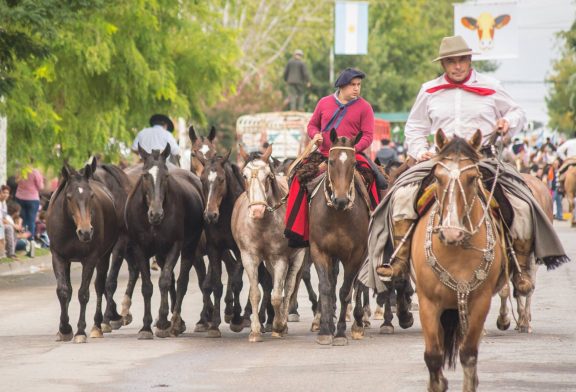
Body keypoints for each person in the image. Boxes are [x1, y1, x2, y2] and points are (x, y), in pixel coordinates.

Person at [363, 35, 568, 296]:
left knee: (523, 203)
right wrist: (420, 151)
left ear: (469, 60)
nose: (457, 66)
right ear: (444, 64)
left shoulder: (492, 86)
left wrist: (507, 123)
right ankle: (400, 261)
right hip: (440, 160)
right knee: (400, 196)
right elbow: (415, 127)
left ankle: (520, 268)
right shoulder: (429, 90)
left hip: (482, 160)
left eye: (461, 60)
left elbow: (517, 112)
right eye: (451, 61)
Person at [284, 67, 379, 248]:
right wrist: (315, 135)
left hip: (352, 155)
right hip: (324, 155)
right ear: (342, 86)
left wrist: (352, 149)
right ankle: (298, 232)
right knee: (297, 177)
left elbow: (368, 135)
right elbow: (312, 125)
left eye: (359, 85)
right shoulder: (324, 103)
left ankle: (377, 231)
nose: (357, 89)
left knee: (377, 179)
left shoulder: (365, 107)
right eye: (353, 85)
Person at [15, 164, 44, 250]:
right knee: (31, 221)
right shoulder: (35, 172)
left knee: (22, 220)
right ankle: (30, 241)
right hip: (32, 199)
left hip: (19, 198)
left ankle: (22, 240)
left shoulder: (20, 171)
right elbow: (41, 187)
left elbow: (16, 181)